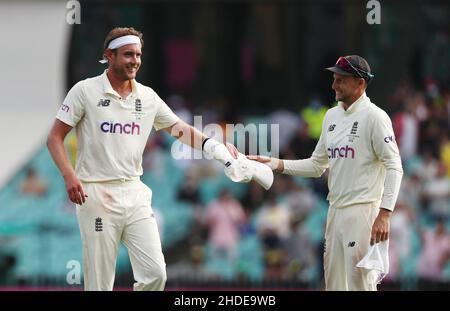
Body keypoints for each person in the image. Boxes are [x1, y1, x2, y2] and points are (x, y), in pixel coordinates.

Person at [46, 27, 270, 291]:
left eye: (138, 55)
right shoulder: (85, 91)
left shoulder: (147, 97)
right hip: (96, 194)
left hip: (134, 192)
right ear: (109, 55)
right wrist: (69, 175)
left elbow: (181, 130)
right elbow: (55, 138)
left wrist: (217, 149)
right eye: (128, 54)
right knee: (99, 284)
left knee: (155, 274)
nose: (135, 61)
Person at [249, 55, 404, 291]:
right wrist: (275, 163)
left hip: (363, 211)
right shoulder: (331, 116)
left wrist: (384, 214)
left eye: (341, 80)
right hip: (335, 212)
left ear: (360, 83)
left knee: (359, 284)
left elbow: (395, 166)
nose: (334, 86)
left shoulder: (375, 117)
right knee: (333, 285)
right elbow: (316, 165)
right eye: (334, 79)